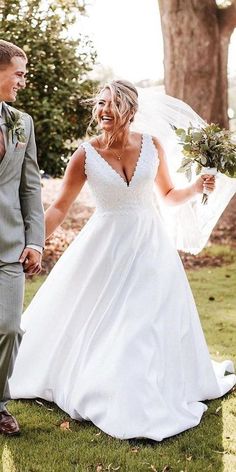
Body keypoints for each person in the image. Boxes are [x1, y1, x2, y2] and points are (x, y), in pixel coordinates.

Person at [9, 80, 235, 441]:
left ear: (130, 109)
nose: (104, 111)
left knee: (143, 321)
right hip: (105, 247)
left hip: (150, 247)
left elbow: (169, 195)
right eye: (100, 104)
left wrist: (197, 189)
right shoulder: (85, 154)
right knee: (103, 319)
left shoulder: (153, 145)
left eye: (112, 105)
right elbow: (60, 207)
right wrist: (33, 242)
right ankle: (109, 388)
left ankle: (141, 392)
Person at [0, 40, 44, 436]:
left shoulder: (21, 123)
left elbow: (30, 188)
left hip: (8, 245)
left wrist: (35, 241)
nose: (23, 81)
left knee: (10, 327)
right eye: (19, 73)